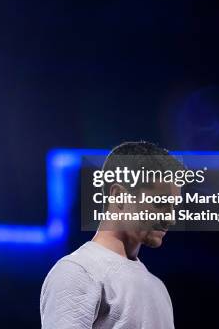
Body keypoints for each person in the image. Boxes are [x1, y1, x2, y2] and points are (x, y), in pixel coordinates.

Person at [40, 141, 183, 329]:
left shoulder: (158, 288)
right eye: (160, 203)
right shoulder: (78, 272)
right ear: (119, 196)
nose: (171, 218)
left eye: (173, 206)